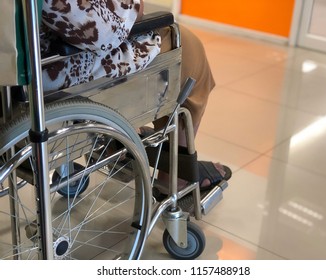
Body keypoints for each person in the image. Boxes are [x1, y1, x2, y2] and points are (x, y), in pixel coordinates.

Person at [40, 0, 231, 192]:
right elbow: (105, 31)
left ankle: (123, 142)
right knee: (187, 45)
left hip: (26, 66)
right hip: (60, 68)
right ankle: (175, 179)